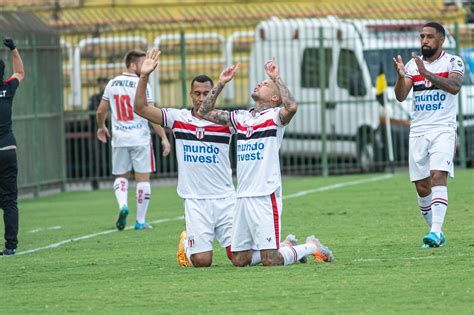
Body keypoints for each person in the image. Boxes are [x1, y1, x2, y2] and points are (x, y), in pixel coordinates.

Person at [198, 56, 334, 267]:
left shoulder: (275, 117)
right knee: (239, 260)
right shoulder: (240, 118)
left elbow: (292, 107)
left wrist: (276, 78)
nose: (260, 83)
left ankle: (310, 247)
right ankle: (287, 245)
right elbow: (204, 112)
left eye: (266, 84)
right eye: (262, 82)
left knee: (270, 260)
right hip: (242, 195)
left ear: (274, 98)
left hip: (265, 194)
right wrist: (222, 83)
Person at [133, 50, 235, 267]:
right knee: (202, 262)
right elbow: (140, 108)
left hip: (226, 198)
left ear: (214, 94)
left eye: (206, 93)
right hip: (195, 200)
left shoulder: (226, 121)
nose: (201, 98)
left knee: (239, 258)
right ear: (191, 95)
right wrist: (144, 77)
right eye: (197, 93)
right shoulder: (178, 118)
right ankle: (187, 245)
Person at [393, 22, 465, 248]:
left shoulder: (453, 61)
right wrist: (401, 76)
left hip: (443, 128)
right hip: (418, 130)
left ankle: (434, 232)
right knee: (422, 187)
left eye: (429, 37)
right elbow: (401, 96)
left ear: (441, 40)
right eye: (422, 36)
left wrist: (427, 74)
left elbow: (454, 86)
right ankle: (437, 232)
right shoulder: (412, 65)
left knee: (438, 175)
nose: (424, 40)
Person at [96, 50, 170, 231]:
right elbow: (152, 114)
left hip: (120, 138)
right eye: (143, 63)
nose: (147, 66)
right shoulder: (142, 83)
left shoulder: (112, 83)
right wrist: (164, 138)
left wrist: (101, 127)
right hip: (140, 138)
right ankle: (140, 221)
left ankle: (122, 205)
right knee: (143, 179)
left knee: (121, 177)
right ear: (132, 65)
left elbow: (100, 111)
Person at [0, 37, 24, 256]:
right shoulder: (7, 89)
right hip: (7, 150)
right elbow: (19, 72)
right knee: (9, 200)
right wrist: (13, 49)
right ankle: (10, 246)